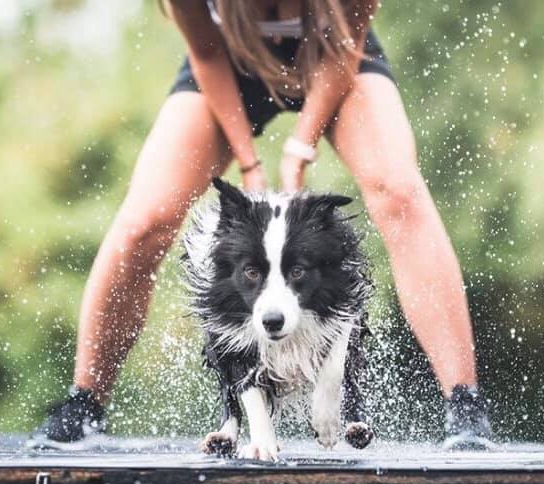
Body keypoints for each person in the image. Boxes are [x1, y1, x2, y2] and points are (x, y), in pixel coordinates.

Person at [31, 0, 493, 451]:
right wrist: (249, 163)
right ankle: (84, 402)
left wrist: (300, 148)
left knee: (400, 193)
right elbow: (207, 53)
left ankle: (464, 405)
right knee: (144, 221)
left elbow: (344, 43)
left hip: (332, 54)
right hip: (227, 62)